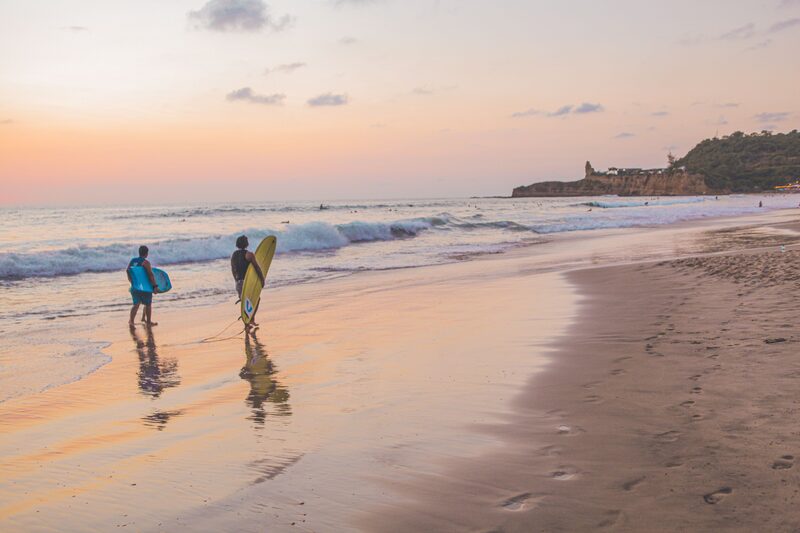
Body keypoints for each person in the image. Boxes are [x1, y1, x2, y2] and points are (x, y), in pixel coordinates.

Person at [231, 235, 265, 329]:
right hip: (247, 283)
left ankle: (247, 323)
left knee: (244, 303)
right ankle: (251, 319)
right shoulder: (249, 254)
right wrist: (262, 279)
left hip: (238, 282)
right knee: (256, 299)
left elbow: (233, 269)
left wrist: (236, 281)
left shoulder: (234, 255)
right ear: (246, 244)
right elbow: (257, 268)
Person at [127, 245, 159, 326]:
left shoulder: (133, 261)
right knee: (148, 304)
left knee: (136, 304)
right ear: (147, 254)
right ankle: (148, 322)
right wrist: (155, 286)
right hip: (144, 287)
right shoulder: (146, 263)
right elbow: (150, 275)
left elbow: (128, 270)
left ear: (139, 252)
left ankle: (131, 321)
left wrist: (131, 281)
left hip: (135, 286)